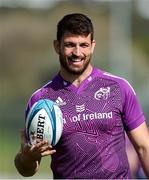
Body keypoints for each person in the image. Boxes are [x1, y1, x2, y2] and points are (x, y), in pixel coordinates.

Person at [14, 13, 149, 179]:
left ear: (92, 46)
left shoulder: (119, 88)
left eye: (83, 45)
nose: (77, 52)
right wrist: (26, 159)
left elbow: (144, 148)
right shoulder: (41, 101)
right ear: (57, 46)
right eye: (70, 45)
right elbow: (27, 169)